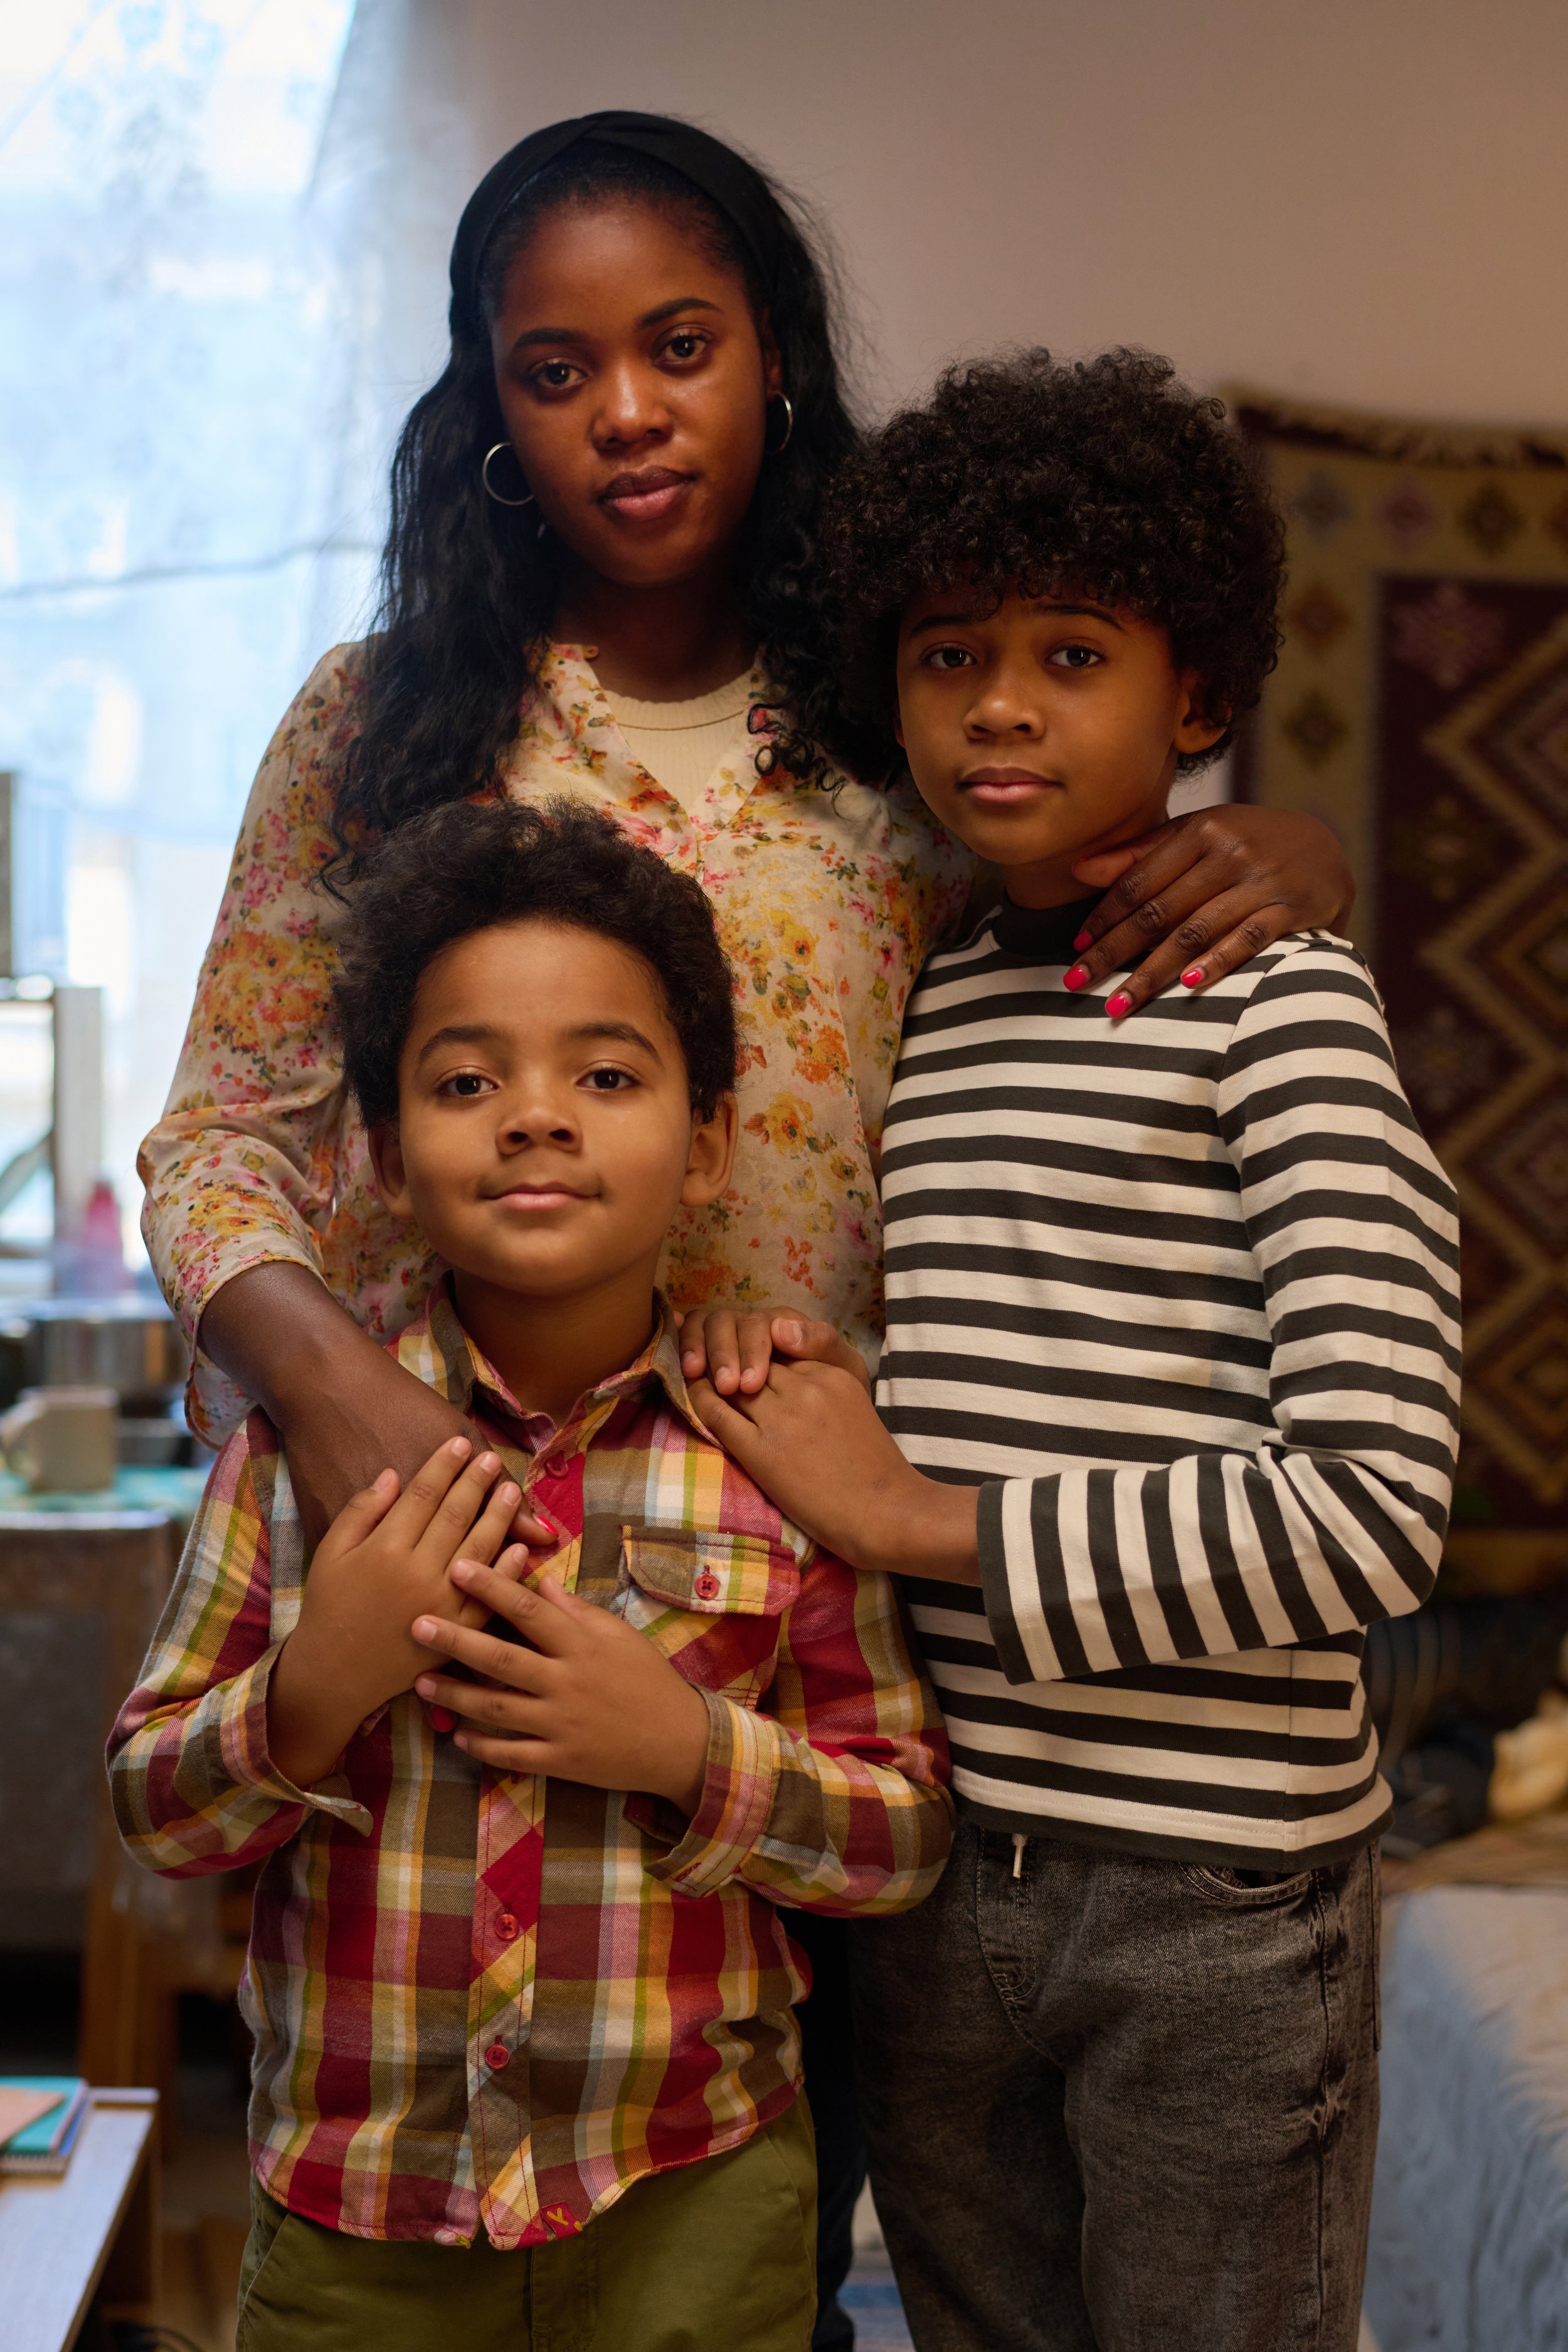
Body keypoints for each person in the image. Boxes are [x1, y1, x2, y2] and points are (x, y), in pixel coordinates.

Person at [137, 112, 1355, 2346]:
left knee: (746, 2232)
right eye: (553, 366)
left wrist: (1284, 842)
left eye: (679, 346)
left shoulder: (899, 721)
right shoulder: (385, 719)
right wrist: (338, 1405)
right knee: (429, 2175)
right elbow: (215, 1140)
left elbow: (1097, 850)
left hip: (802, 1595)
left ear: (776, 357)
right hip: (456, 1568)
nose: (623, 411)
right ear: (483, 406)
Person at [690, 350, 1463, 2352]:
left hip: (1216, 1899)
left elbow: (1373, 1513)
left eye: (1070, 650)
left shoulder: (1276, 1001)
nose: (1001, 702)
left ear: (1193, 695)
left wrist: (923, 1519)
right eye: (948, 653)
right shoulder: (934, 996)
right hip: (945, 1871)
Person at [110, 801, 953, 2352]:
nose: (535, 1116)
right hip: (357, 2227)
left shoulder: (772, 1457)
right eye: (464, 1079)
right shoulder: (295, 1468)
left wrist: (683, 1750)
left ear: (706, 1147)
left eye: (607, 1075)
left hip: (694, 2209)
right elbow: (158, 1818)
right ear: (380, 1152)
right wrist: (315, 1692)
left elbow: (901, 1839)